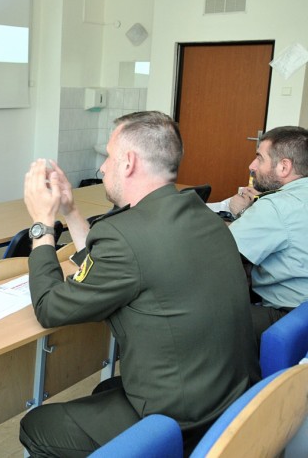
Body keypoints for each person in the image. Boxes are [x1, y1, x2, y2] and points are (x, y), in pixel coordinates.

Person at [19, 111, 259, 457]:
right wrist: (70, 211)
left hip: (183, 420)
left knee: (38, 424)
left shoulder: (124, 235)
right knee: (105, 391)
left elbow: (49, 307)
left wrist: (42, 224)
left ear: (129, 162)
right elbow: (114, 266)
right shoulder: (203, 215)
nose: (103, 168)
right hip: (229, 399)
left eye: (109, 157)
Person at [227, 126, 308, 339]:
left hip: (290, 317)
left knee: (206, 317)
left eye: (259, 158)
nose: (252, 166)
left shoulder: (276, 206)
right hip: (304, 310)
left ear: (284, 167)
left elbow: (222, 251)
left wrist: (241, 213)